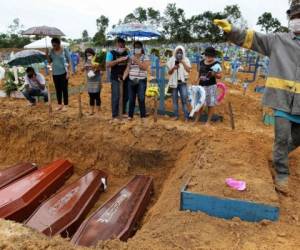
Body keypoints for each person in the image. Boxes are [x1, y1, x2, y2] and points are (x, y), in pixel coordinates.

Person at [214, 2, 300, 194]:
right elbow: (252, 39)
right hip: (282, 100)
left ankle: (280, 155)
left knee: (294, 139)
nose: (297, 21)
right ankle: (282, 175)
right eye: (294, 18)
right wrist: (232, 31)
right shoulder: (279, 40)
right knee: (282, 137)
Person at [123, 41, 150, 120]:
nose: (137, 48)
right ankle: (130, 116)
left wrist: (137, 60)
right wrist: (123, 77)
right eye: (135, 47)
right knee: (131, 99)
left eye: (138, 47)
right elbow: (128, 68)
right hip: (131, 80)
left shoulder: (145, 57)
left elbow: (144, 67)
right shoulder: (131, 57)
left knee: (141, 98)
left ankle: (143, 116)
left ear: (141, 48)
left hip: (141, 80)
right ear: (134, 48)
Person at [197, 47, 222, 125]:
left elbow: (220, 76)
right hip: (201, 86)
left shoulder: (216, 64)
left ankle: (208, 122)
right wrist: (196, 80)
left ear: (213, 56)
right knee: (200, 103)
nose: (208, 57)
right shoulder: (201, 62)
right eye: (207, 55)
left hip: (211, 86)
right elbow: (199, 73)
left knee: (210, 104)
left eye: (210, 55)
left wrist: (214, 74)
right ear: (205, 55)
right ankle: (197, 119)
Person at [106, 37, 129, 121]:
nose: (122, 46)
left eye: (123, 45)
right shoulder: (111, 53)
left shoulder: (127, 53)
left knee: (126, 96)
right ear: (117, 44)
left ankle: (123, 112)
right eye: (120, 45)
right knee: (116, 96)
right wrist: (118, 60)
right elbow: (108, 65)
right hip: (115, 78)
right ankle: (114, 115)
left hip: (126, 77)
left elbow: (129, 64)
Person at [167, 46, 191, 121]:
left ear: (183, 53)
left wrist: (183, 62)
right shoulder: (171, 60)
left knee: (184, 100)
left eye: (181, 52)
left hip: (182, 83)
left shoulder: (186, 59)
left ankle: (186, 117)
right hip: (174, 84)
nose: (179, 54)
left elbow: (188, 70)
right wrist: (174, 68)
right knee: (175, 100)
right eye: (178, 52)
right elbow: (169, 72)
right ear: (175, 52)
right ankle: (176, 116)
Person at [46, 37, 71, 111]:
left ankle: (66, 105)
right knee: (58, 90)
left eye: (55, 45)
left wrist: (68, 73)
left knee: (64, 89)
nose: (54, 47)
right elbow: (49, 62)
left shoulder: (64, 50)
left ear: (59, 44)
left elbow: (69, 61)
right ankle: (59, 104)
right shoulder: (51, 51)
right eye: (53, 45)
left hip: (64, 73)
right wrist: (47, 55)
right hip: (55, 73)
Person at [83, 48, 102, 115]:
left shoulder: (97, 59)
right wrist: (85, 68)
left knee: (97, 95)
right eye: (87, 55)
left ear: (93, 54)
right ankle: (91, 110)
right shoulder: (86, 61)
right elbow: (84, 70)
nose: (89, 56)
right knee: (91, 95)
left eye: (90, 55)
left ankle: (98, 110)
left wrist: (96, 67)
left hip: (96, 80)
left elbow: (100, 68)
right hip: (90, 81)